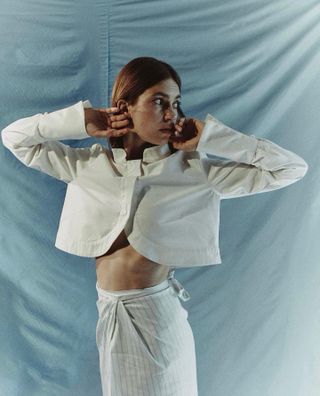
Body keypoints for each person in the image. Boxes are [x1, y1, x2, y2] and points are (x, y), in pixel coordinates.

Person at [1, 56, 308, 396]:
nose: (171, 115)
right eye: (159, 102)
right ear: (124, 107)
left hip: (157, 317)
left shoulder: (195, 171)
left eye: (176, 104)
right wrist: (81, 121)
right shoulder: (88, 165)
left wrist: (213, 139)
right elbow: (15, 138)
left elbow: (290, 169)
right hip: (110, 314)